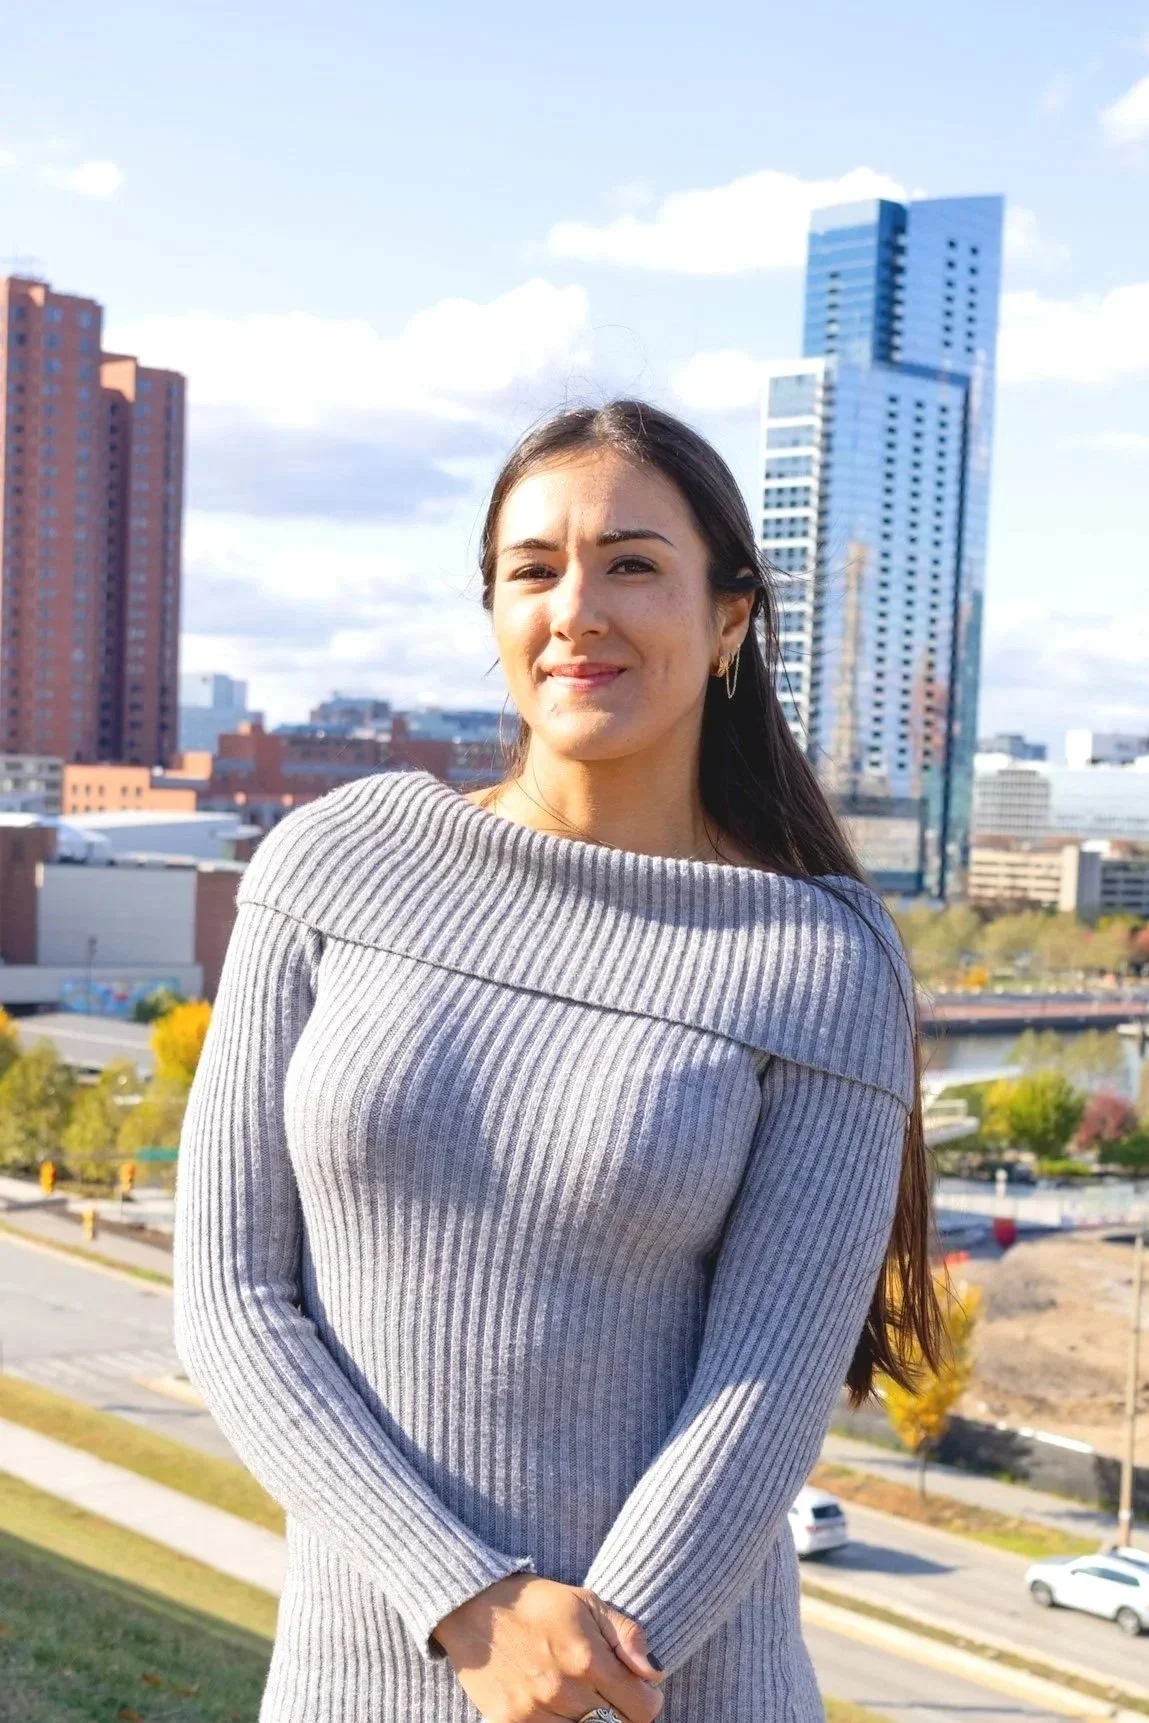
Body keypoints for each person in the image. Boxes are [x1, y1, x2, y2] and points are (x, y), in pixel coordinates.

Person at [174, 399, 941, 1723]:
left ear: (731, 625)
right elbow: (232, 1295)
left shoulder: (820, 958)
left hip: (677, 1696)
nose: (577, 607)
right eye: (534, 569)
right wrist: (469, 1602)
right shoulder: (333, 864)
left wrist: (584, 1676)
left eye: (634, 564)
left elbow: (764, 1391)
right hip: (355, 1686)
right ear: (495, 613)